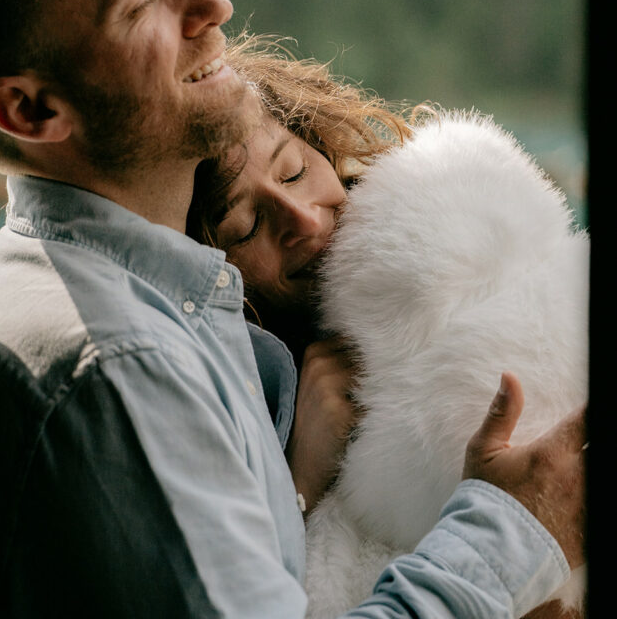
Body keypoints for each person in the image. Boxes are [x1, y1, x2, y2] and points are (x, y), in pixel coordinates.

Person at [0, 0, 584, 619]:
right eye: (143, 1)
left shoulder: (164, 308)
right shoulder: (122, 368)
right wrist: (514, 530)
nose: (211, 4)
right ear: (32, 110)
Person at [186, 36, 588, 616]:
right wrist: (301, 476)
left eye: (295, 170)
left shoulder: (457, 223)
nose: (302, 218)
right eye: (248, 227)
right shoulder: (227, 406)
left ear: (318, 140)